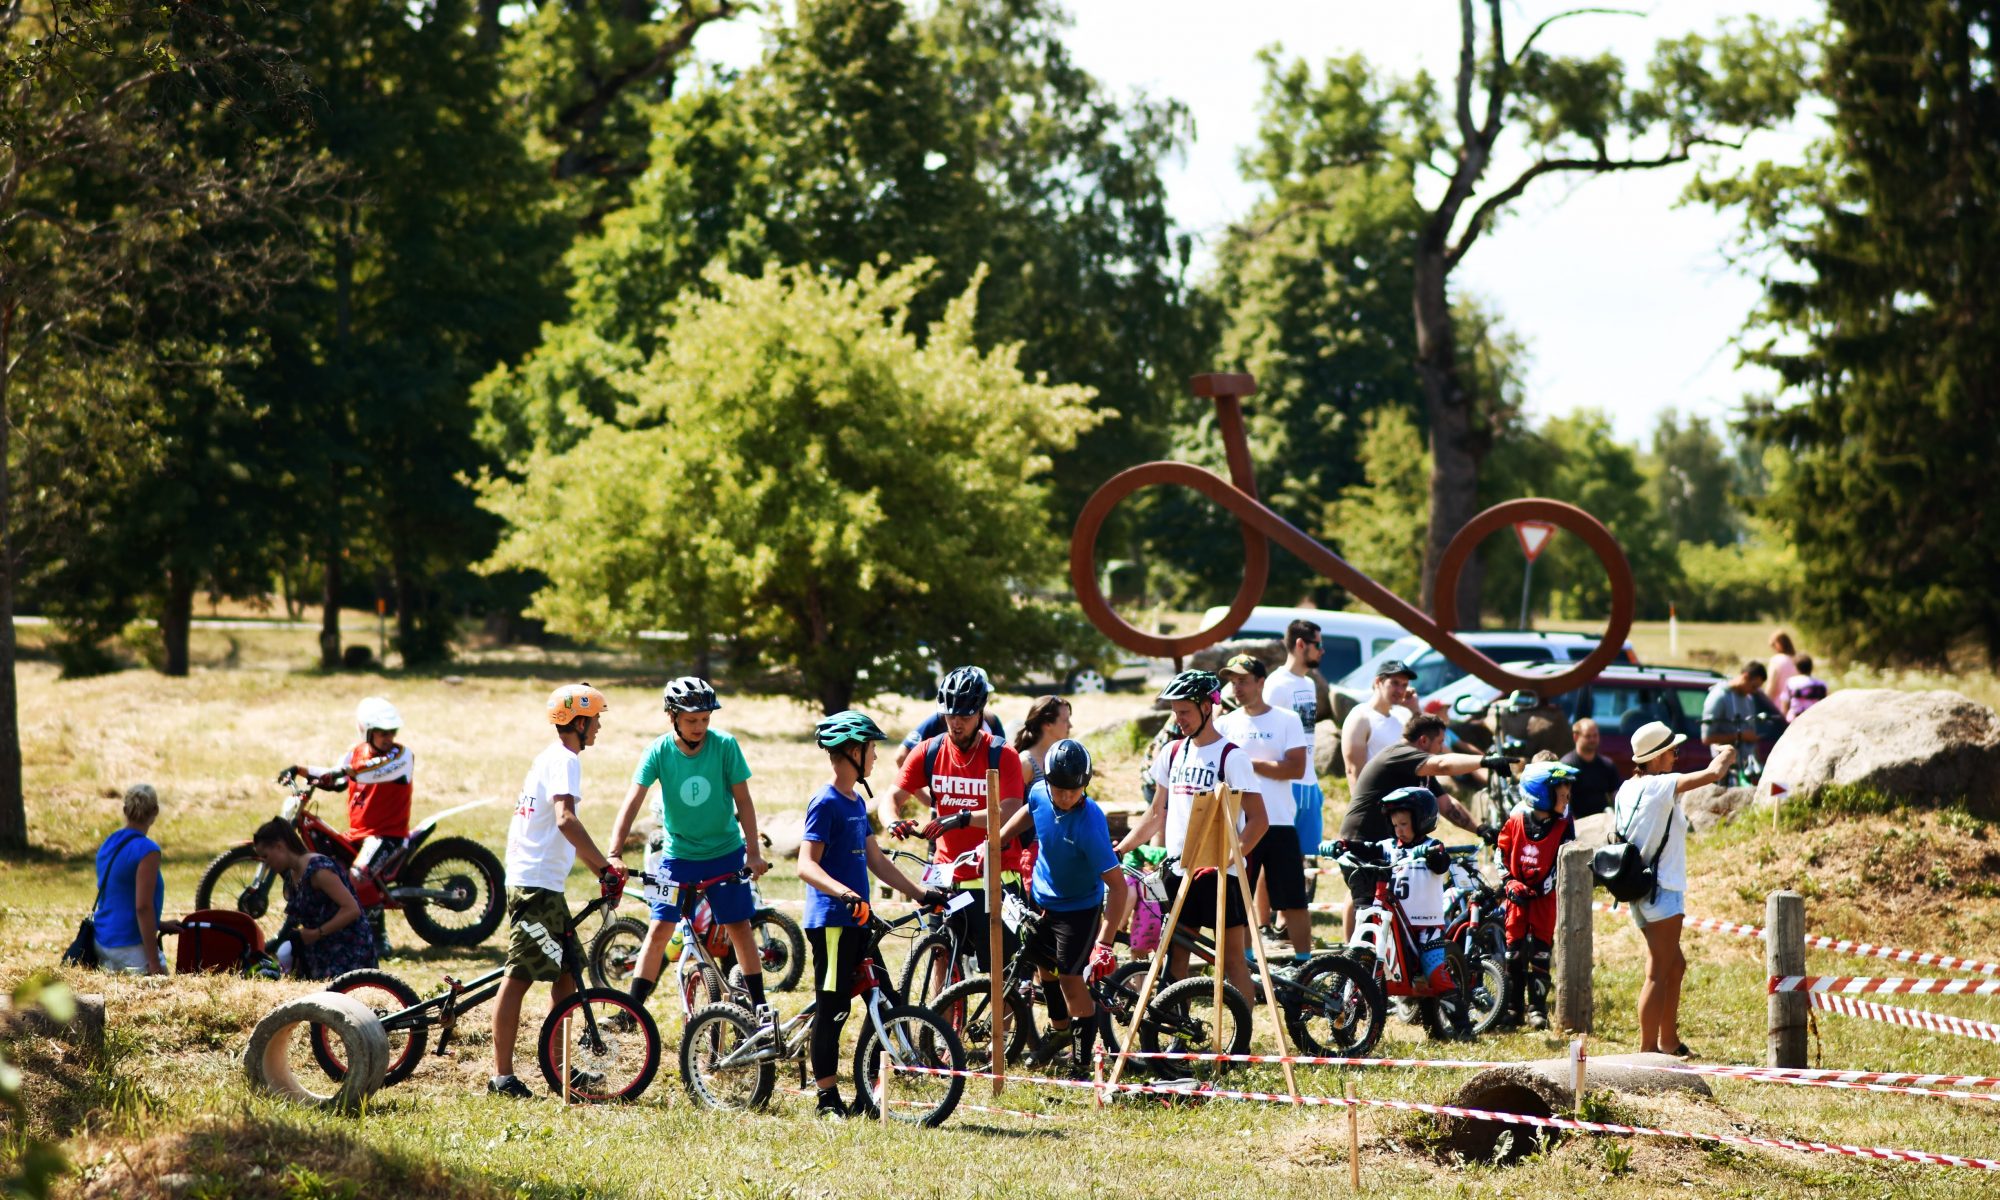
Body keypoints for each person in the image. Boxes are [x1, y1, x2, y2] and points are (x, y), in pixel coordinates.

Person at [795, 711, 946, 1120]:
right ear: (852, 751)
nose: (877, 756)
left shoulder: (857, 802)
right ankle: (827, 1100)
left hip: (859, 921)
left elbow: (875, 858)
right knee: (834, 1009)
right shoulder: (825, 802)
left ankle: (865, 1090)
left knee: (886, 1002)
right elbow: (807, 865)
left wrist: (919, 892)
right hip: (832, 922)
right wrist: (843, 893)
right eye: (872, 748)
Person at [606, 677, 772, 1032]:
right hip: (678, 856)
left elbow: (744, 801)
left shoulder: (725, 745)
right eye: (692, 720)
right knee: (659, 928)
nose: (699, 727)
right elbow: (632, 801)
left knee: (739, 927)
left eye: (705, 720)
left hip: (726, 852)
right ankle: (631, 1011)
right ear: (673, 717)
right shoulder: (658, 751)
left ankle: (759, 1007)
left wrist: (753, 853)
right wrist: (614, 852)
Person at [490, 683, 625, 1099]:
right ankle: (502, 1076)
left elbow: (561, 827)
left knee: (567, 973)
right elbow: (566, 821)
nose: (600, 726)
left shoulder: (550, 757)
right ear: (579, 722)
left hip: (542, 883)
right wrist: (604, 866)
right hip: (536, 886)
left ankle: (560, 1067)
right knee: (518, 977)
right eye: (596, 718)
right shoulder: (565, 760)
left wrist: (598, 869)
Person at [1114, 670, 1266, 1004]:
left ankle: (1242, 1048)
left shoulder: (1232, 757)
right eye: (1174, 710)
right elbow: (1156, 813)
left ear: (1207, 707)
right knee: (1176, 956)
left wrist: (1227, 857)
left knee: (1232, 960)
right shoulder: (1171, 753)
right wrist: (1122, 848)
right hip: (1180, 870)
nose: (1177, 718)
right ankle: (1175, 1035)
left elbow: (1258, 820)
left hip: (1218, 874)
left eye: (1184, 711)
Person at [995, 739, 1131, 1076]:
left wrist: (1104, 942)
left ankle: (1083, 1062)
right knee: (1045, 969)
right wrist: (999, 837)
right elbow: (1031, 809)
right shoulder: (1042, 792)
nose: (1066, 796)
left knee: (1071, 980)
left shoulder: (1090, 824)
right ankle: (1060, 1032)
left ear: (1085, 784)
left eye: (1074, 790)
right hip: (1042, 897)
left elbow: (1118, 887)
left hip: (1079, 909)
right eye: (1059, 788)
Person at [884, 665, 1027, 974]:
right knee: (941, 959)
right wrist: (892, 819)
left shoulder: (1003, 755)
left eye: (964, 716)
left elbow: (1009, 812)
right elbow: (891, 797)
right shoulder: (929, 751)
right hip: (945, 877)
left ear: (980, 713)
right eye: (950, 716)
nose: (956, 723)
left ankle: (1006, 1024)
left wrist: (959, 819)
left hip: (995, 878)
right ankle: (940, 1022)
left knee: (1002, 976)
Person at [1614, 720, 1736, 1058]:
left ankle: (1668, 1041)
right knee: (1657, 971)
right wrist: (1727, 751)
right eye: (1672, 752)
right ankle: (1648, 1051)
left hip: (1641, 889)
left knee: (1674, 965)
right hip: (1661, 890)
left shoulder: (1628, 787)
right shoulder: (1658, 786)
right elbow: (1712, 774)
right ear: (1654, 758)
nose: (1676, 758)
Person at [1324, 787, 1473, 1034]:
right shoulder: (1389, 846)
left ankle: (1462, 1026)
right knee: (1367, 956)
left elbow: (1441, 862)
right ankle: (1349, 1022)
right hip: (1392, 921)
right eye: (1395, 825)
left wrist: (1429, 854)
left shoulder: (1433, 846)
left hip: (1426, 925)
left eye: (1404, 823)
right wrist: (1341, 845)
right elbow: (1367, 848)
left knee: (1435, 971)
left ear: (1421, 820)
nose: (1398, 829)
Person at [1338, 714, 1499, 936]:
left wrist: (1481, 830)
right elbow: (1443, 765)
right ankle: (1354, 962)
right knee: (1366, 904)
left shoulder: (1419, 769)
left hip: (1390, 839)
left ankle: (1378, 961)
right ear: (1423, 741)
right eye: (1440, 742)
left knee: (1387, 906)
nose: (1442, 749)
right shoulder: (1400, 755)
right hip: (1363, 838)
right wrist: (1485, 761)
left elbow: (1446, 804)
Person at [291, 696, 414, 954]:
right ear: (367, 731)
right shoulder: (354, 754)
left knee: (357, 876)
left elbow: (369, 770)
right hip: (358, 833)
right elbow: (334, 779)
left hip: (386, 835)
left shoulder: (401, 756)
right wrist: (300, 770)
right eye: (382, 732)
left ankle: (379, 937)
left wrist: (340, 772)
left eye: (392, 731)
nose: (388, 737)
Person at [1215, 654, 1312, 964]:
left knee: (1294, 899)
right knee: (1240, 899)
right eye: (1232, 682)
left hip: (1280, 821)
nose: (1237, 688)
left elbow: (1296, 768)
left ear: (1261, 682)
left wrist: (1248, 763)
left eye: (1243, 681)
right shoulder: (1224, 723)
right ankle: (1246, 963)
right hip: (1241, 825)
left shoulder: (1286, 719)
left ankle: (1304, 963)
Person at [1497, 763, 1576, 1028]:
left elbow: (1565, 859)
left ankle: (1537, 1008)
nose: (1566, 796)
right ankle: (1512, 1008)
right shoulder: (1516, 820)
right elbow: (1502, 852)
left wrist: (1544, 886)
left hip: (1544, 898)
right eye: (1561, 791)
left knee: (1541, 952)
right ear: (1541, 793)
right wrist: (1509, 882)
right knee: (1513, 952)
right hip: (1517, 897)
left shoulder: (1564, 825)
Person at [253, 818, 376, 980]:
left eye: (266, 857)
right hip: (322, 950)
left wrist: (317, 933)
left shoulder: (319, 870)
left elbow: (352, 909)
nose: (266, 864)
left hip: (349, 950)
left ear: (279, 846)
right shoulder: (292, 875)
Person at [90, 784, 178, 975]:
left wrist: (158, 924)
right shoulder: (148, 851)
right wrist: (153, 961)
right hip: (129, 946)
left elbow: (119, 895)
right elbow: (142, 907)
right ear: (155, 811)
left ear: (125, 810)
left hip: (102, 939)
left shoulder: (109, 842)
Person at [1262, 620, 1329, 849]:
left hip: (1309, 782)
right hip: (1286, 785)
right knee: (1278, 856)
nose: (1322, 650)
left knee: (1305, 858)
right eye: (1318, 644)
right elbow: (1265, 733)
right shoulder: (1276, 684)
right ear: (1301, 644)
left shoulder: (1309, 683)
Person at [894, 667, 1004, 768]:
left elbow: (1003, 761)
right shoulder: (940, 719)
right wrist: (923, 789)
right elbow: (902, 756)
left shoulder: (991, 721)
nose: (956, 722)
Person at [1340, 659, 1416, 780]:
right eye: (1395, 683)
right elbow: (1353, 771)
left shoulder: (1403, 715)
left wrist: (1415, 709)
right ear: (1378, 682)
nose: (1400, 690)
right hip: (1376, 797)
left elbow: (1424, 748)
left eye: (1404, 685)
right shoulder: (1360, 717)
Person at [1559, 718, 1622, 820]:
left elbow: (1615, 795)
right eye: (1588, 736)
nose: (1592, 739)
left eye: (1595, 736)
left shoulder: (1607, 765)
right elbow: (1562, 800)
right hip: (1577, 823)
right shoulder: (1566, 766)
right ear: (1576, 737)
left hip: (1602, 824)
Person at [1701, 662, 1767, 753]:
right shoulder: (1719, 697)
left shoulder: (1748, 699)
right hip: (1725, 763)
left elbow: (1751, 734)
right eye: (1753, 687)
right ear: (1745, 677)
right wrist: (1741, 736)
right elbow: (1707, 738)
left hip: (1746, 763)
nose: (1754, 691)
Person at [1012, 695, 1073, 786]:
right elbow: (1014, 799)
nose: (1070, 725)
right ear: (1047, 724)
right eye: (1065, 720)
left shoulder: (1066, 758)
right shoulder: (1025, 763)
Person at [1783, 655, 1828, 722]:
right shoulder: (1821, 684)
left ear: (1796, 668)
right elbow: (1826, 703)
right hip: (1815, 718)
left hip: (1795, 719)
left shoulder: (1791, 682)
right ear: (1811, 667)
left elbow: (1785, 702)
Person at [1765, 630, 1799, 706]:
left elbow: (1771, 686)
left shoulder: (1776, 660)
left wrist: (1765, 703)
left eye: (1773, 645)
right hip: (1796, 704)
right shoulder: (1797, 660)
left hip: (1778, 705)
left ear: (1780, 645)